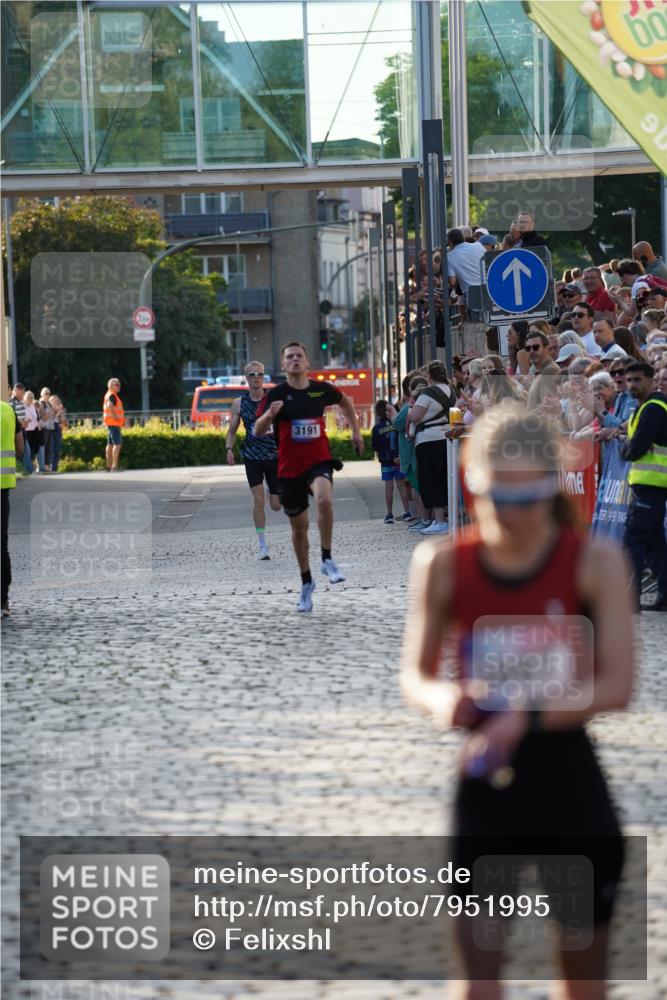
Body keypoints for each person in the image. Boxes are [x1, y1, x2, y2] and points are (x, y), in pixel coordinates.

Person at [401, 406, 633, 1000]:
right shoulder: (443, 564)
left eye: (528, 498)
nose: (512, 514)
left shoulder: (594, 562)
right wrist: (447, 699)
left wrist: (522, 716)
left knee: (582, 986)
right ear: (471, 483)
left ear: (553, 487)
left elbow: (617, 685)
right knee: (479, 986)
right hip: (487, 784)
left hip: (569, 781)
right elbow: (417, 676)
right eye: (496, 498)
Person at [253, 341, 364, 613]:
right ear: (283, 364)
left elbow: (345, 402)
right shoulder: (276, 394)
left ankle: (327, 558)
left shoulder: (320, 390)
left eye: (299, 356)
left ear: (307, 362)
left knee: (325, 500)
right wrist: (269, 415)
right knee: (299, 529)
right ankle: (306, 582)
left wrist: (356, 431)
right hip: (289, 469)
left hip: (318, 461)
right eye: (289, 356)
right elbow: (257, 430)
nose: (294, 359)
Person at [618, 361, 667, 612]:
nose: (632, 385)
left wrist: (626, 448)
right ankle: (665, 595)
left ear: (651, 380)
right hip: (648, 484)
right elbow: (635, 446)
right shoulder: (644, 407)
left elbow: (634, 449)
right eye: (629, 380)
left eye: (637, 380)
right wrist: (630, 446)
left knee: (633, 540)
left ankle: (630, 598)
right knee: (653, 543)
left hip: (653, 484)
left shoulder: (654, 408)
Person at [226, 362, 280, 560]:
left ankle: (273, 490)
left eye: (260, 374)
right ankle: (262, 545)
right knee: (258, 501)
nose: (256, 377)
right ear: (246, 378)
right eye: (252, 374)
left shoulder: (273, 400)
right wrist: (229, 449)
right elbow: (232, 431)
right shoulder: (239, 404)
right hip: (252, 457)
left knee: (276, 505)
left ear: (263, 377)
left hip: (274, 456)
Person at [408, 360, 457, 535]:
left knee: (431, 480)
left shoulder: (427, 394)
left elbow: (414, 416)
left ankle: (439, 520)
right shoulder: (451, 391)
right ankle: (447, 518)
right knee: (444, 478)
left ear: (429, 375)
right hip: (446, 437)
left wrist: (409, 411)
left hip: (428, 440)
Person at [1, 399, 24, 616]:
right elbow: (20, 447)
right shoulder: (8, 411)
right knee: (1, 544)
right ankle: (3, 600)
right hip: (2, 487)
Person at [371, 399, 409, 524]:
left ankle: (389, 514)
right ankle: (407, 511)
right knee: (401, 485)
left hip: (386, 460)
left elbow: (375, 447)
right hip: (398, 458)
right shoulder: (396, 424)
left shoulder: (376, 428)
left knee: (388, 486)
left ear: (377, 413)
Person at [525, 331, 560, 410]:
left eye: (535, 347)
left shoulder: (550, 371)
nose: (531, 351)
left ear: (547, 349)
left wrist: (524, 416)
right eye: (528, 348)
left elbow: (546, 408)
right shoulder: (537, 370)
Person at [9, 383, 32, 476]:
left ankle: (24, 470)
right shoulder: (12, 403)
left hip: (22, 430)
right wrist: (21, 424)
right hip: (17, 431)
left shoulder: (20, 402)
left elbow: (19, 416)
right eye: (21, 391)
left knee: (25, 451)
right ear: (16, 391)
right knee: (24, 451)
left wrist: (25, 421)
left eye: (23, 391)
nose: (23, 393)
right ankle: (29, 470)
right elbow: (12, 418)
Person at [102, 378, 125, 472]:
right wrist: (116, 417)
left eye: (119, 384)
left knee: (110, 444)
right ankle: (114, 466)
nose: (119, 386)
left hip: (110, 423)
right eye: (117, 385)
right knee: (117, 444)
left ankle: (109, 466)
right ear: (111, 386)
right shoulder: (112, 395)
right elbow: (110, 405)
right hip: (114, 423)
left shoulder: (108, 394)